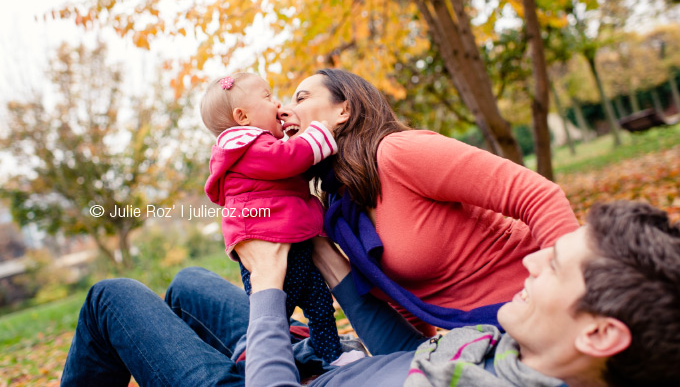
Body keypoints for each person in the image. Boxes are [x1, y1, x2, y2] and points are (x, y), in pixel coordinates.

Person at [61, 201, 680, 386]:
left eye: (554, 265)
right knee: (188, 283)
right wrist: (337, 273)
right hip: (323, 363)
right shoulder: (508, 355)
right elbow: (402, 359)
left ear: (598, 332)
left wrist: (270, 289)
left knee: (111, 296)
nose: (531, 256)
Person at [278, 69, 581, 334]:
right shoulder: (341, 202)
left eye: (301, 99)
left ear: (344, 111)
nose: (285, 111)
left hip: (547, 305)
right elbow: (409, 295)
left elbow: (538, 196)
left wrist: (573, 295)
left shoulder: (398, 152)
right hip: (488, 334)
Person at [199, 72, 344, 363]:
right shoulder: (244, 146)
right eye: (267, 97)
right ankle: (264, 361)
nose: (276, 103)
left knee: (319, 302)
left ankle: (332, 355)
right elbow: (287, 159)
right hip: (270, 244)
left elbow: (291, 168)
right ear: (242, 117)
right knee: (275, 311)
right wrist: (319, 133)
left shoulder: (261, 145)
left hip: (293, 243)